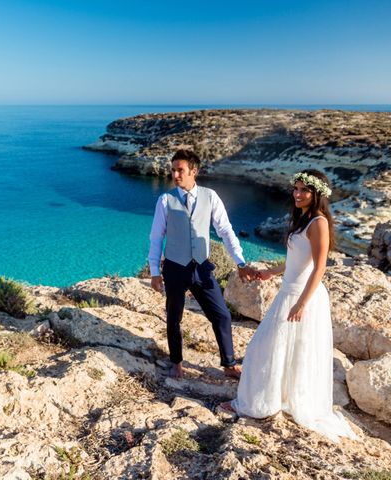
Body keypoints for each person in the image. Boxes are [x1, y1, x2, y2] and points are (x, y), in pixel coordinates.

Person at [222, 169, 358, 443]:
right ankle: (271, 398)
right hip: (288, 292)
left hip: (302, 296)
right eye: (295, 189)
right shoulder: (303, 220)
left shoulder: (318, 222)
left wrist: (302, 303)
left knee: (266, 347)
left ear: (316, 193)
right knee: (279, 349)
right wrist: (271, 272)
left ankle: (255, 405)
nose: (297, 194)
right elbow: (296, 259)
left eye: (303, 190)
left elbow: (320, 267)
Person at [148, 149, 255, 380]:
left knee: (222, 315)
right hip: (175, 268)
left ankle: (229, 364)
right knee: (173, 316)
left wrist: (240, 261)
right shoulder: (165, 200)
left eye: (180, 170)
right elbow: (156, 237)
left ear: (193, 171)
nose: (175, 174)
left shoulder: (210, 196)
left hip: (202, 268)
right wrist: (155, 272)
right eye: (173, 170)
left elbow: (225, 230)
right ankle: (176, 362)